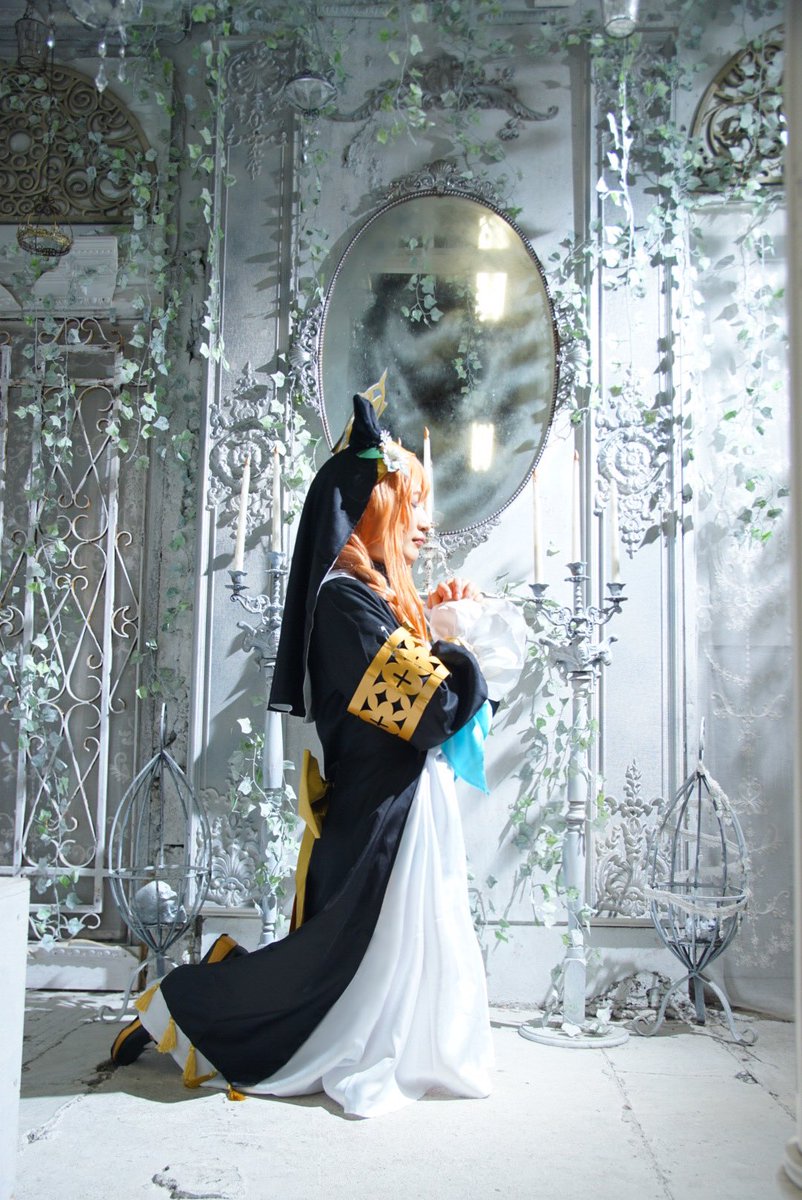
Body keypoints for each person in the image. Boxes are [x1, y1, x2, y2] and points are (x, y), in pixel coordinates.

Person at [110, 393, 523, 1118]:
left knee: (347, 971)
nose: (427, 523)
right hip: (377, 822)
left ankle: (218, 991)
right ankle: (186, 1001)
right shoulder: (343, 607)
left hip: (395, 813)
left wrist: (441, 624)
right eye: (413, 504)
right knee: (322, 978)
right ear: (371, 505)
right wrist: (458, 638)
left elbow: (433, 697)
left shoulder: (371, 602)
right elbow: (431, 713)